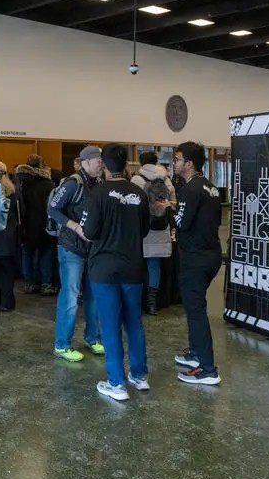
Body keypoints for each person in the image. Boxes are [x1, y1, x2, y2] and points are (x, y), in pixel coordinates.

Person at [82, 144, 152, 401]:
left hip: (105, 269)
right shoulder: (139, 194)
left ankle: (116, 383)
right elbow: (145, 229)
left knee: (110, 325)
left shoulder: (98, 194)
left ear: (104, 164)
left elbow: (89, 231)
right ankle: (139, 375)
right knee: (134, 323)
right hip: (133, 266)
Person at [165, 141, 223, 385]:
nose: (174, 163)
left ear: (189, 163)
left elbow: (182, 222)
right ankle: (196, 352)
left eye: (177, 159)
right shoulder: (211, 187)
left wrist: (168, 209)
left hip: (196, 258)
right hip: (211, 254)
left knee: (196, 311)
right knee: (193, 307)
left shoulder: (191, 189)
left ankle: (208, 369)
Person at [47, 146, 104, 363]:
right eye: (98, 161)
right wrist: (75, 226)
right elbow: (53, 209)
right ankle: (62, 344)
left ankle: (93, 338)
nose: (101, 165)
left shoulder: (98, 183)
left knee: (94, 295)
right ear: (86, 162)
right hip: (71, 247)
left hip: (92, 248)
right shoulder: (73, 183)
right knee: (70, 296)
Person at [130, 153, 175, 315]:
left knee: (137, 265)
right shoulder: (166, 180)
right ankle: (152, 303)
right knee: (154, 266)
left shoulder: (136, 180)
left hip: (142, 228)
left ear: (141, 162)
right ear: (156, 162)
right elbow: (173, 204)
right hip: (161, 228)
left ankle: (136, 302)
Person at [14, 155, 56, 295]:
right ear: (41, 165)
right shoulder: (48, 183)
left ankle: (29, 283)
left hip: (26, 223)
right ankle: (46, 284)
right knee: (45, 253)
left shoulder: (20, 182)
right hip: (43, 222)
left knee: (27, 253)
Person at [0, 160, 20, 312]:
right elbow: (21, 213)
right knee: (7, 271)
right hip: (9, 235)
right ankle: (7, 302)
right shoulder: (12, 190)